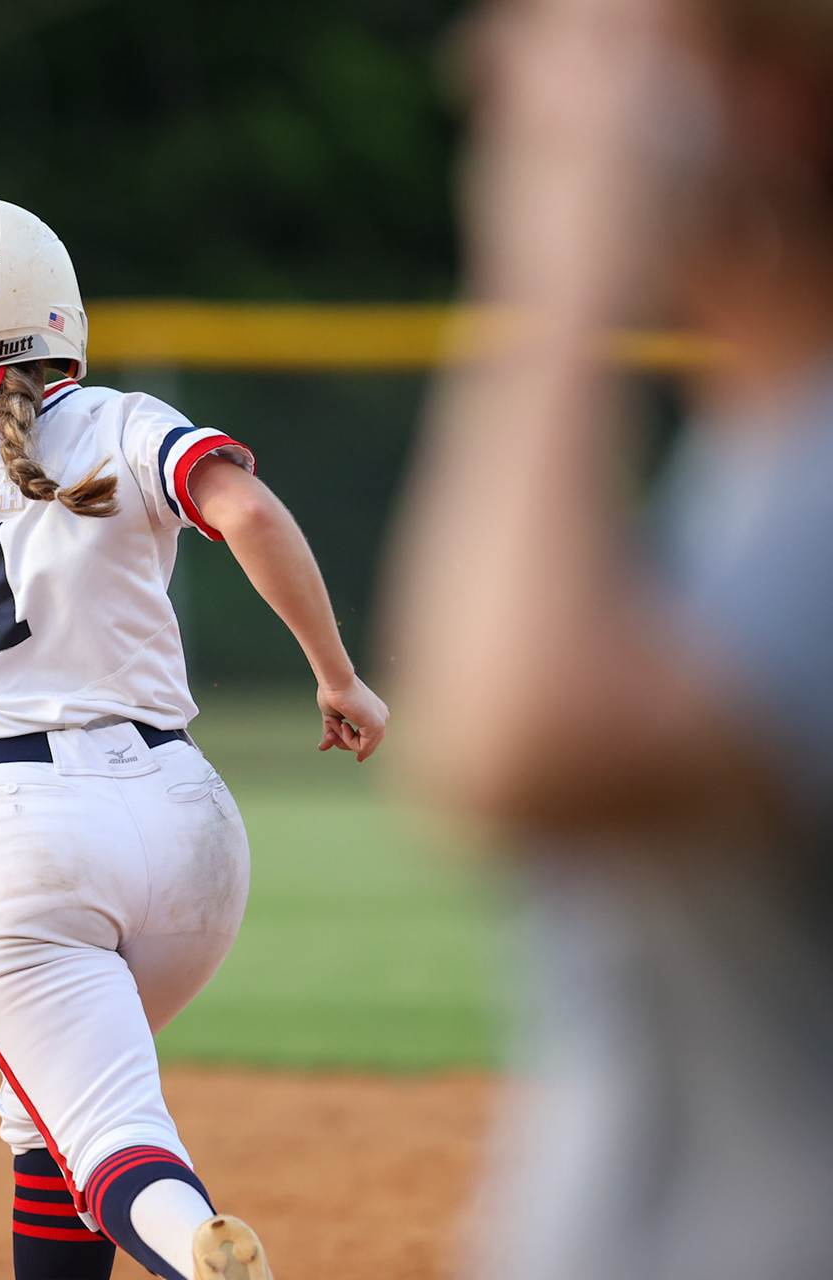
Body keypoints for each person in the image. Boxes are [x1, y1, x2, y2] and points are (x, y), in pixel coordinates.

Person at [0, 198, 388, 1280]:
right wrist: (339, 676)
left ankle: (199, 1249)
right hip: (190, 825)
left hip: (17, 842)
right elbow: (248, 512)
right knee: (44, 1112)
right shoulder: (125, 420)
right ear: (66, 319)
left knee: (109, 1134)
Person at [385, 0, 833, 1276]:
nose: (503, 72)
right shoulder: (759, 456)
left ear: (764, 100)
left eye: (583, 38)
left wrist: (555, 271)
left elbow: (509, 746)